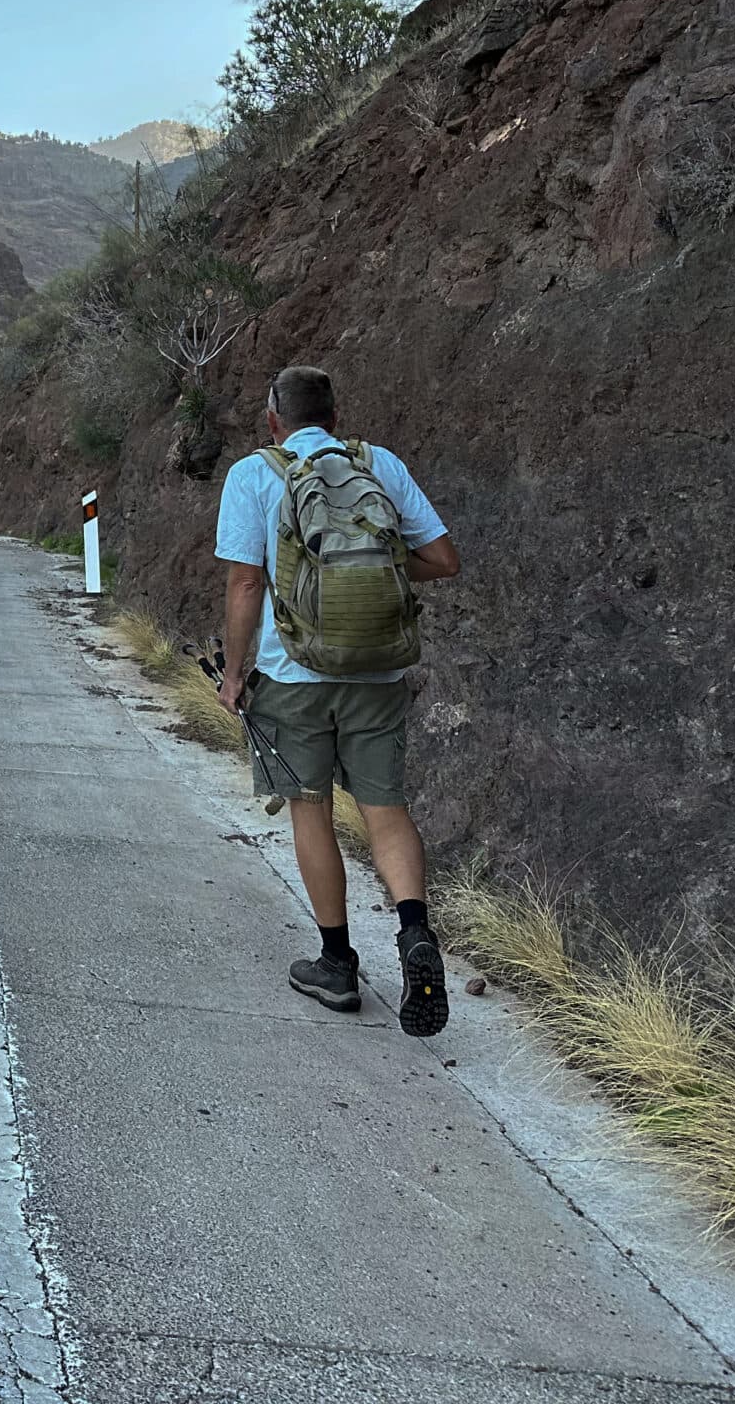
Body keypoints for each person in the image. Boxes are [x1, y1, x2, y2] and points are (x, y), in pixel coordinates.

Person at [213, 365, 462, 1035]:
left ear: (274, 420)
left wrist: (233, 674)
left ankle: (336, 963)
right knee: (386, 810)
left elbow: (245, 584)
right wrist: (377, 565)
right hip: (377, 672)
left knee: (311, 808)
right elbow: (444, 560)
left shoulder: (254, 474)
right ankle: (415, 932)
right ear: (334, 415)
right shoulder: (379, 465)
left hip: (291, 675)